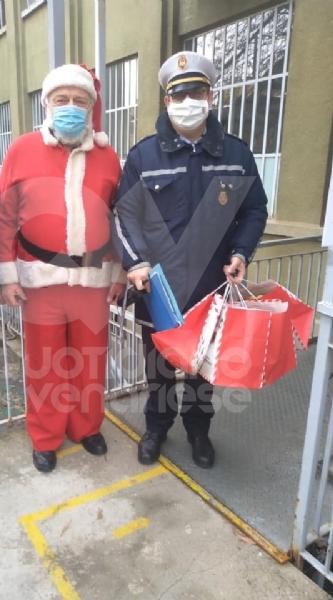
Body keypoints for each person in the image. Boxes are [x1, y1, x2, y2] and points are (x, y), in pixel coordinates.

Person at [111, 51, 268, 469]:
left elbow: (254, 210)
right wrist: (136, 262)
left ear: (210, 96)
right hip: (158, 287)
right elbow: (124, 215)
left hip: (209, 285)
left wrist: (241, 253)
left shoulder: (236, 153)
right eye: (178, 96)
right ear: (166, 101)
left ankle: (199, 431)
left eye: (196, 92)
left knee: (202, 367)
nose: (188, 102)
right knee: (159, 366)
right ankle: (157, 427)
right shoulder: (145, 156)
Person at [0, 64, 125, 473]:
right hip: (40, 280)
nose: (70, 107)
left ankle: (86, 427)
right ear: (47, 104)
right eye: (61, 100)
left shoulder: (107, 156)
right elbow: (4, 216)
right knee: (45, 364)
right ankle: (46, 436)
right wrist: (7, 275)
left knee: (90, 361)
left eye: (79, 101)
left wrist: (120, 272)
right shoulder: (21, 150)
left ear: (91, 107)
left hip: (92, 280)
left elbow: (123, 218)